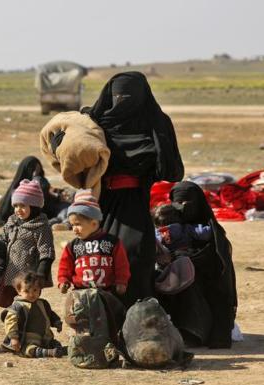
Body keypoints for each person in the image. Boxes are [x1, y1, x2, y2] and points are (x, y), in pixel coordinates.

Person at [81, 71, 183, 306]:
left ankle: (139, 318)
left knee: (136, 257)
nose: (122, 101)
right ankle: (102, 320)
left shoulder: (155, 124)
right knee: (99, 256)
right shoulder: (95, 122)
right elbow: (74, 152)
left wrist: (158, 146)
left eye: (128, 96)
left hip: (135, 201)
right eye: (118, 96)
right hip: (103, 202)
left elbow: (171, 170)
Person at [158, 181, 237, 348]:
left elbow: (220, 271)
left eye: (188, 203)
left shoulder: (211, 231)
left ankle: (200, 332)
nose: (184, 207)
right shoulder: (166, 226)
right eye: (179, 203)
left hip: (208, 285)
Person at [0, 179, 55, 308]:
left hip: (28, 279)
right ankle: (12, 326)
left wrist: (40, 275)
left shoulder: (41, 227)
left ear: (34, 206)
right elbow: (2, 237)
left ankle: (26, 327)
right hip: (9, 273)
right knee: (8, 307)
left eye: (23, 206)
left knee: (26, 306)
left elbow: (47, 252)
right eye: (16, 206)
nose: (18, 210)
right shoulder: (12, 221)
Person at [56, 190, 130, 296]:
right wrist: (63, 280)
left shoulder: (112, 243)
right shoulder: (73, 246)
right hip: (80, 293)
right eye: (72, 225)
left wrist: (121, 282)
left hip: (107, 293)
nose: (74, 229)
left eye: (77, 224)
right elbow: (65, 266)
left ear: (94, 223)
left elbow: (122, 264)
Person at [0, 156, 66, 226]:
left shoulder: (40, 181)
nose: (35, 173)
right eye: (34, 170)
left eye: (38, 170)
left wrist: (56, 195)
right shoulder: (18, 191)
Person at [1, 271, 65, 358]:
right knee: (29, 350)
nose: (31, 294)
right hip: (27, 339)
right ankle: (47, 352)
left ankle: (60, 350)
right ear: (19, 291)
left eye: (35, 290)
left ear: (39, 289)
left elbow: (50, 314)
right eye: (27, 291)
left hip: (45, 337)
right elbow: (10, 322)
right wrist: (14, 338)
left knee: (54, 343)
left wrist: (57, 322)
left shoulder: (42, 303)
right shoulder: (18, 306)